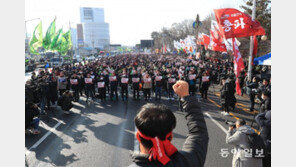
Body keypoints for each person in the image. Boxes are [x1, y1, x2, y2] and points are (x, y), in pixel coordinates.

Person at [129, 80, 209, 167]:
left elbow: (199, 134)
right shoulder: (188, 160)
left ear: (138, 136)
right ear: (170, 135)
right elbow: (198, 133)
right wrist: (186, 97)